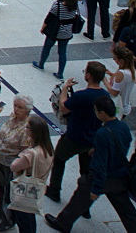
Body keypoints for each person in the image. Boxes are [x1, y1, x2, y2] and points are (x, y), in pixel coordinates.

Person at [45, 97, 136, 233]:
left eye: (96, 111)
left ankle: (62, 223)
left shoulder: (102, 134)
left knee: (78, 200)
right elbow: (124, 145)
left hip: (104, 178)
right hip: (121, 176)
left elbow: (101, 164)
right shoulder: (123, 126)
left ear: (102, 113)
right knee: (126, 210)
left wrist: (96, 189)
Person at [45, 60, 110, 202]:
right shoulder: (105, 96)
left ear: (89, 76)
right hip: (92, 139)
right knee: (86, 171)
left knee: (59, 160)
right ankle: (84, 200)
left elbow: (64, 107)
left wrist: (64, 90)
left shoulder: (82, 95)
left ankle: (54, 190)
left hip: (74, 137)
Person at [0, 95, 34, 231]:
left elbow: (25, 152)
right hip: (1, 160)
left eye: (20, 107)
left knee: (9, 192)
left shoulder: (27, 128)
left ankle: (9, 219)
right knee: (2, 187)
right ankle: (1, 211)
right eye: (15, 105)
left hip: (13, 165)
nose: (16, 109)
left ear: (27, 110)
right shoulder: (12, 118)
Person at [32, 0, 80, 79]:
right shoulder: (75, 4)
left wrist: (43, 28)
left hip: (55, 31)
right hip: (67, 31)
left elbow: (49, 18)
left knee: (47, 47)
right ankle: (60, 73)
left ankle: (41, 64)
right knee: (62, 52)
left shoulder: (57, 5)